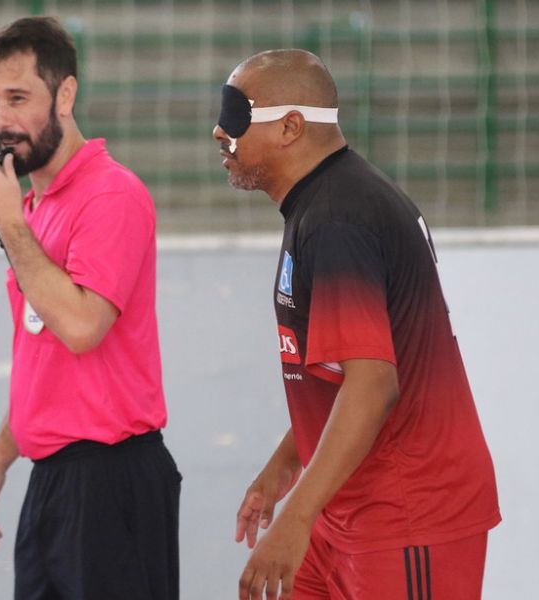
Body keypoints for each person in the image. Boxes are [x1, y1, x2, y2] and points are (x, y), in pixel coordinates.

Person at [212, 50, 501, 600]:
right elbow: (340, 376)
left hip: (406, 511)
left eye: (237, 115)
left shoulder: (338, 218)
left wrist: (295, 517)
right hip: (347, 503)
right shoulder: (325, 203)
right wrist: (283, 466)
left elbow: (372, 386)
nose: (220, 132)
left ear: (291, 127)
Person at [0, 16, 180, 600]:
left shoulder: (111, 194)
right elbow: (46, 360)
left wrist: (9, 224)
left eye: (17, 99)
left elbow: (82, 327)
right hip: (53, 481)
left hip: (111, 482)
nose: (1, 122)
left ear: (65, 94)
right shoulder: (34, 208)